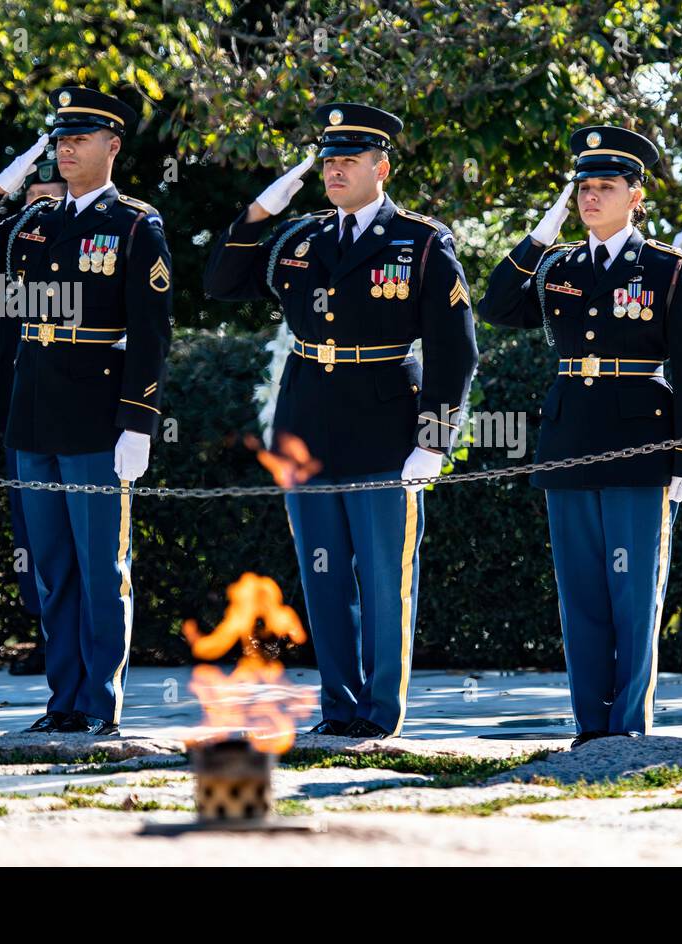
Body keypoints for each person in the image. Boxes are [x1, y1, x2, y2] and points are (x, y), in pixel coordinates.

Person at [204, 103, 478, 740]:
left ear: (381, 167)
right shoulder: (300, 239)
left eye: (348, 161)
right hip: (310, 428)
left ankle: (381, 714)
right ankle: (339, 708)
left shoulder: (422, 240)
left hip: (385, 426)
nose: (334, 171)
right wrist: (258, 214)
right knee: (324, 578)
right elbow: (220, 282)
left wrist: (433, 438)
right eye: (328, 161)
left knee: (385, 581)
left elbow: (454, 348)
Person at [0, 87, 173, 736]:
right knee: (50, 570)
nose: (66, 149)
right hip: (32, 414)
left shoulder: (134, 224)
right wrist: (6, 182)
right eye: (59, 139)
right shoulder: (34, 222)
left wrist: (139, 423)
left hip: (96, 416)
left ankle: (100, 707)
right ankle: (63, 703)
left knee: (101, 569)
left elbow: (152, 334)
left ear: (112, 147)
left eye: (80, 139)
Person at [477, 126, 682, 748]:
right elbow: (497, 305)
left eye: (605, 187)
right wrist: (541, 232)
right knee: (581, 592)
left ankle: (628, 724)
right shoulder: (560, 266)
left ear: (636, 196)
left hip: (642, 442)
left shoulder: (667, 268)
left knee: (634, 592)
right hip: (570, 437)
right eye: (583, 188)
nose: (590, 198)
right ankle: (590, 725)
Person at [0, 158, 67, 676]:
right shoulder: (14, 252)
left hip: (76, 417)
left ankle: (73, 638)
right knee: (30, 532)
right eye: (30, 200)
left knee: (78, 536)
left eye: (48, 199)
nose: (37, 209)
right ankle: (43, 630)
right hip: (19, 414)